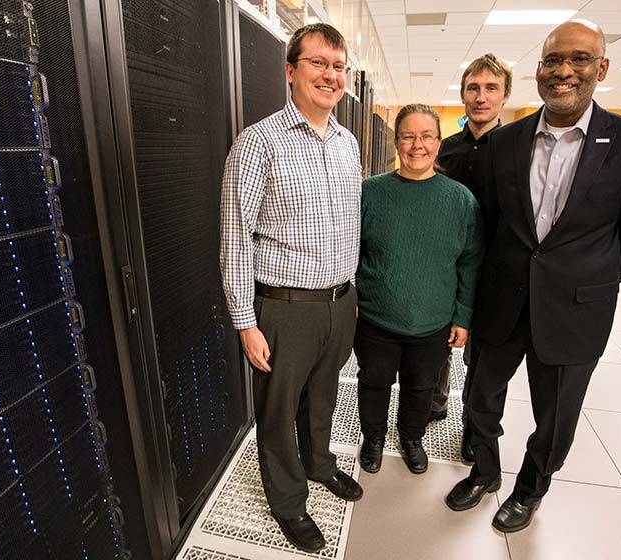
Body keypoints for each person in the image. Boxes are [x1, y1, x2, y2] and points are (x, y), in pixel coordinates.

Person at [445, 20, 621, 533]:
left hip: (575, 307)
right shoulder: (507, 142)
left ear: (602, 68)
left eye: (580, 59)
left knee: (556, 416)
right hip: (503, 300)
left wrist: (591, 279)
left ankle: (530, 489)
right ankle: (483, 471)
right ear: (539, 70)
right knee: (480, 398)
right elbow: (496, 222)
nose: (564, 71)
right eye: (552, 60)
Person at [219, 23, 363, 553]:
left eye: (338, 65)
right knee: (279, 413)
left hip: (339, 302)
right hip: (284, 309)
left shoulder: (348, 143)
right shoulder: (258, 143)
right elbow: (235, 236)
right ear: (291, 71)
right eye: (318, 63)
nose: (331, 75)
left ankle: (321, 463)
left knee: (323, 396)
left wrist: (352, 300)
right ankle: (288, 503)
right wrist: (245, 321)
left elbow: (352, 225)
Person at [355, 104, 484, 476]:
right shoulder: (371, 192)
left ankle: (411, 438)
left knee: (420, 387)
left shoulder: (460, 200)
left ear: (439, 143)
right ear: (396, 142)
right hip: (376, 317)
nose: (417, 145)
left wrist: (463, 316)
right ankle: (374, 438)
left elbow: (470, 262)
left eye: (426, 136)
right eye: (409, 136)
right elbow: (352, 251)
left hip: (433, 321)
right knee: (374, 382)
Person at [433, 53, 512, 463]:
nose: (481, 97)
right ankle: (436, 402)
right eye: (473, 88)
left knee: (485, 358)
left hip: (498, 274)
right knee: (437, 343)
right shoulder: (443, 150)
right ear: (463, 94)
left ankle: (476, 429)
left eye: (491, 88)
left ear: (505, 95)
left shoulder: (518, 150)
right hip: (447, 269)